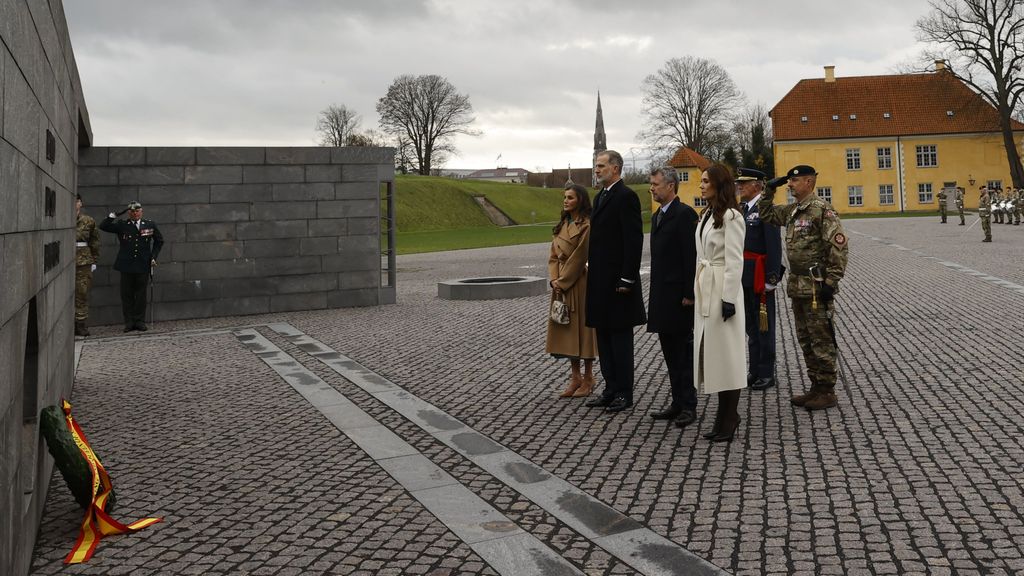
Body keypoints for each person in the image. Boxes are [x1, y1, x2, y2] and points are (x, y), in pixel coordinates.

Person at [760, 165, 849, 411]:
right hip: (798, 286)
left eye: (794, 180)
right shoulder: (792, 211)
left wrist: (831, 282)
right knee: (806, 339)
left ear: (809, 182)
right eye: (789, 181)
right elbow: (766, 214)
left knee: (822, 339)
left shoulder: (822, 211)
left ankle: (827, 390)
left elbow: (838, 248)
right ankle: (815, 387)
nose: (790, 185)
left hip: (816, 287)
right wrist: (768, 189)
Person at [584, 150, 646, 413]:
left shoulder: (626, 197)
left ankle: (624, 392)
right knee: (604, 338)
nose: (596, 170)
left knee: (620, 339)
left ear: (616, 169)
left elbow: (633, 241)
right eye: (596, 166)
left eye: (601, 166)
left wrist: (627, 278)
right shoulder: (601, 198)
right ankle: (610, 388)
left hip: (619, 283)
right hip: (600, 282)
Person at [693, 163, 746, 442]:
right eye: (701, 181)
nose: (700, 185)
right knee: (711, 353)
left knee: (727, 355)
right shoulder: (706, 215)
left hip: (723, 291)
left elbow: (735, 259)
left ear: (718, 184)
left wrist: (728, 298)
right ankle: (723, 414)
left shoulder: (732, 217)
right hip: (706, 287)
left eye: (705, 181)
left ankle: (730, 416)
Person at [645, 166, 699, 427]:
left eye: (655, 184)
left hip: (680, 297)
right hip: (662, 296)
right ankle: (677, 402)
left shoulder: (684, 214)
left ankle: (689, 405)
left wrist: (690, 293)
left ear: (670, 186)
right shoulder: (658, 216)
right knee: (669, 353)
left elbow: (691, 257)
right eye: (651, 184)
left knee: (683, 354)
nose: (652, 188)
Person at [546, 184, 598, 398]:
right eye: (564, 197)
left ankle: (588, 377)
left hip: (578, 283)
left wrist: (563, 280)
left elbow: (580, 256)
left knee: (583, 333)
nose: (565, 201)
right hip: (560, 284)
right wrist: (554, 280)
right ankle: (574, 377)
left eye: (570, 197)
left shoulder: (586, 225)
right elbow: (552, 256)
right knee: (567, 331)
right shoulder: (562, 224)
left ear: (580, 200)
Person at [736, 168, 783, 391]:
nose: (739, 187)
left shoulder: (765, 210)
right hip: (745, 276)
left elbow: (774, 245)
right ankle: (754, 370)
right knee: (751, 328)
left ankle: (766, 373)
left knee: (764, 327)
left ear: (757, 185)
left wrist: (772, 278)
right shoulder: (742, 210)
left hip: (760, 277)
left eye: (744, 183)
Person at [99, 201, 164, 332]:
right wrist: (114, 215)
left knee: (141, 294)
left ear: (141, 211)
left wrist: (153, 257)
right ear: (129, 213)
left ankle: (139, 321)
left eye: (137, 211)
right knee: (127, 294)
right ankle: (129, 322)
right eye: (132, 211)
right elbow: (103, 226)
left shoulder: (149, 224)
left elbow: (159, 241)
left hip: (143, 264)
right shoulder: (122, 225)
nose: (135, 213)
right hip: (126, 265)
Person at [74, 194, 101, 337]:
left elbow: (95, 241)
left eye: (77, 201)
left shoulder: (88, 221)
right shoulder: (62, 218)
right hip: (66, 259)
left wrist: (94, 260)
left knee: (81, 292)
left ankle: (80, 324)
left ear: (81, 203)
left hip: (83, 261)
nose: (75, 204)